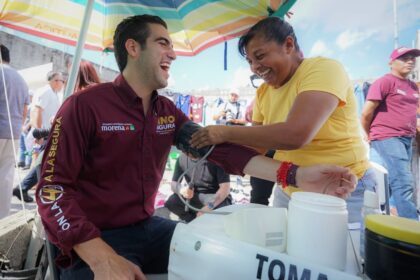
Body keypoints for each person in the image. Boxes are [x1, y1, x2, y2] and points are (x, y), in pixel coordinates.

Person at [36, 15, 356, 280]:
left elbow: (220, 152)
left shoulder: (166, 111)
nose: (173, 54)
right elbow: (51, 190)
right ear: (133, 48)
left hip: (150, 227)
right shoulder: (83, 106)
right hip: (95, 237)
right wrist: (101, 257)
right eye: (163, 43)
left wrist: (297, 175)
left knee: (232, 262)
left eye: (172, 46)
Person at [191, 17, 376, 223]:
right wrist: (212, 150)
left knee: (343, 254)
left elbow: (296, 134)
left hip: (342, 190)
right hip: (289, 189)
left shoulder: (323, 69)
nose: (254, 67)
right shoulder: (263, 93)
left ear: (288, 45)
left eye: (260, 56)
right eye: (250, 62)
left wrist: (224, 132)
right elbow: (256, 149)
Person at [361, 47, 420, 220]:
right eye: (404, 58)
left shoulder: (413, 87)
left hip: (407, 138)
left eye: (412, 58)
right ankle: (413, 227)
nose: (410, 61)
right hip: (388, 136)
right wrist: (368, 134)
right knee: (403, 181)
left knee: (391, 183)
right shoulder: (384, 82)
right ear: (391, 63)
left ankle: (392, 220)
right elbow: (365, 113)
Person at [0, 44, 30, 218]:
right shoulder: (20, 78)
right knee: (6, 174)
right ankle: (2, 217)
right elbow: (25, 109)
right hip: (13, 132)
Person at [165, 153, 232, 222]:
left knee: (222, 210)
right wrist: (182, 190)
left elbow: (225, 189)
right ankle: (192, 221)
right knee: (171, 202)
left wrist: (209, 207)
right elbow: (174, 184)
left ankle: (207, 223)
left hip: (214, 198)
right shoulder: (181, 158)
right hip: (194, 196)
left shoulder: (217, 159)